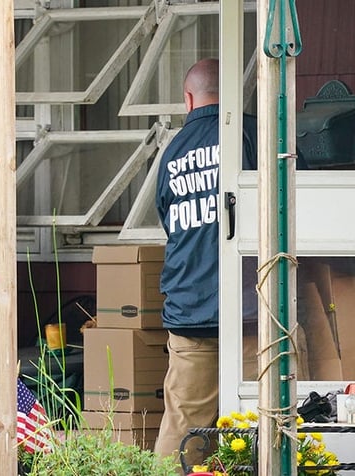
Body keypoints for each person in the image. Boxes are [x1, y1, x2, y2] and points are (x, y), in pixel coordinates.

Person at [153, 57, 257, 461]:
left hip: (190, 312)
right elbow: (302, 206)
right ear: (233, 93)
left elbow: (170, 222)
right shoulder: (255, 133)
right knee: (264, 423)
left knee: (182, 431)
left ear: (188, 99)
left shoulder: (173, 151)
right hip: (253, 312)